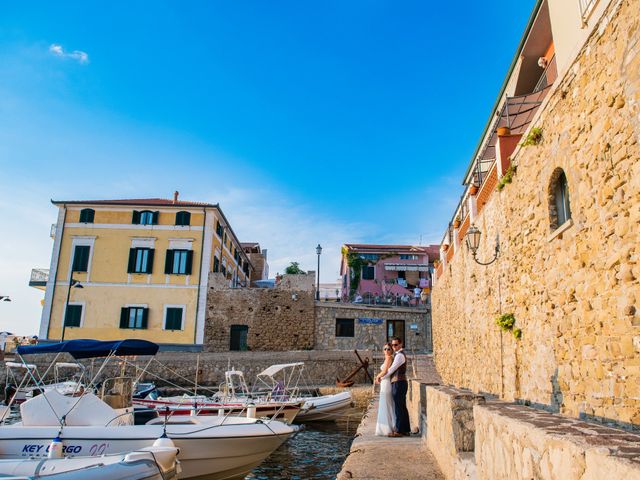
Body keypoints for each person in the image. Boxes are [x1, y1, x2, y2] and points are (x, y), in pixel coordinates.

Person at [386, 336, 411, 436]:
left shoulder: (400, 355)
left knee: (399, 407)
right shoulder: (398, 355)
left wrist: (382, 377)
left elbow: (392, 369)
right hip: (399, 383)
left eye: (396, 344)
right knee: (401, 406)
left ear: (401, 344)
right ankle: (404, 430)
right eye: (392, 345)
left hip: (399, 383)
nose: (394, 347)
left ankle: (400, 431)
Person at [374, 343, 396, 436]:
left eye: (388, 349)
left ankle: (389, 428)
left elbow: (385, 371)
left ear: (392, 350)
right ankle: (388, 427)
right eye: (385, 349)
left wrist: (377, 377)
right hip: (385, 382)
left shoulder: (389, 358)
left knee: (387, 405)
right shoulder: (388, 357)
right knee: (386, 404)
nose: (386, 350)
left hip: (386, 383)